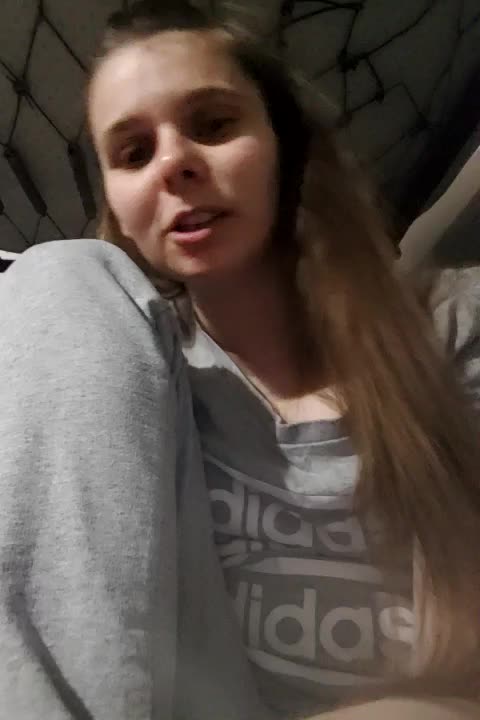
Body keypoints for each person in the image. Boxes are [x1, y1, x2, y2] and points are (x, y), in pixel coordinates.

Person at [0, 1, 479, 718]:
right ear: (118, 207)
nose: (174, 163)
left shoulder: (452, 323)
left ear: (285, 145)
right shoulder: (112, 367)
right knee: (59, 272)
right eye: (133, 153)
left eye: (214, 124)